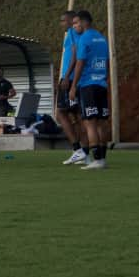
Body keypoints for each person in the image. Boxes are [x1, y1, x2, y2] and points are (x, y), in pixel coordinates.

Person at [69, 10, 111, 170]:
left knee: (90, 124)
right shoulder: (102, 38)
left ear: (84, 22)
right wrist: (103, 78)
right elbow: (106, 62)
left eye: (76, 23)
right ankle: (103, 160)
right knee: (101, 124)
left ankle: (97, 160)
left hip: (87, 86)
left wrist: (73, 86)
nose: (74, 27)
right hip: (101, 85)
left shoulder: (84, 39)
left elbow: (80, 63)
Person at [56, 11, 87, 165]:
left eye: (63, 20)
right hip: (74, 79)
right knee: (78, 116)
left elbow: (75, 54)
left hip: (70, 79)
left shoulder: (73, 32)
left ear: (70, 20)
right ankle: (85, 152)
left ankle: (78, 150)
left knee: (61, 113)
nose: (61, 23)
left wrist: (67, 76)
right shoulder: (73, 33)